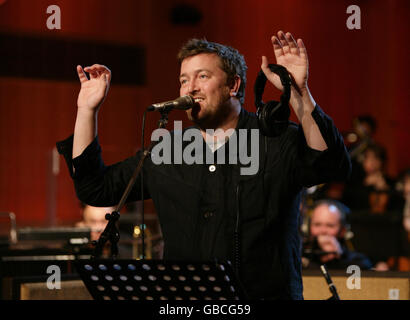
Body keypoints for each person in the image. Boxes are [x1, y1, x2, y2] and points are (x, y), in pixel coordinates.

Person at [56, 31, 351, 299]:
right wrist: (86, 110)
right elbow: (95, 188)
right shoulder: (167, 149)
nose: (190, 87)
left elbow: (331, 166)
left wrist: (299, 94)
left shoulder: (276, 138)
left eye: (202, 77)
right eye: (184, 79)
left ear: (233, 85)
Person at [302, 200, 372, 270]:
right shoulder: (299, 257)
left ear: (343, 231)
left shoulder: (359, 261)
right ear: (308, 228)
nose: (323, 231)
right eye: (317, 224)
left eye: (330, 226)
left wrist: (335, 259)